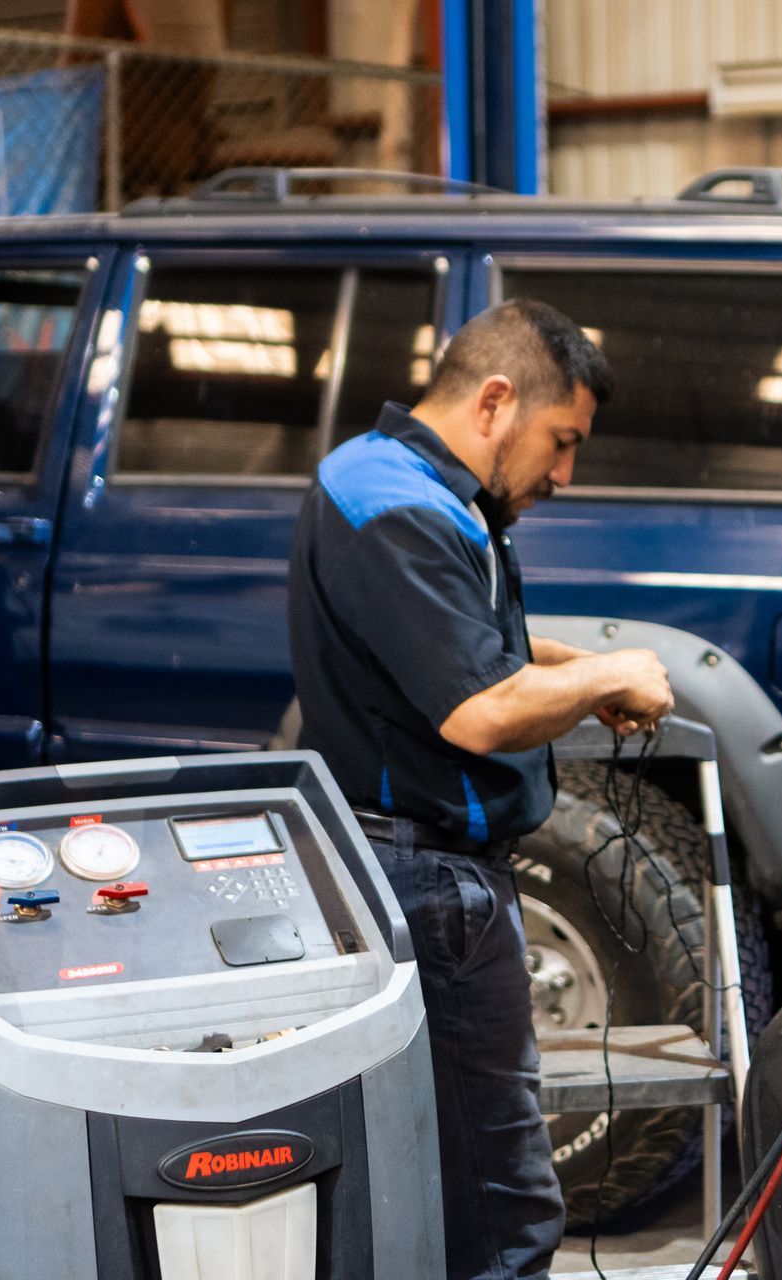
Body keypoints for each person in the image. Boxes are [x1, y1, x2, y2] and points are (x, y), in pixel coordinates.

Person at [287, 299, 673, 1280]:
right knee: (502, 1197)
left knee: (444, 1177)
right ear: (497, 400)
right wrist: (609, 674)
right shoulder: (402, 507)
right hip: (428, 882)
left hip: (407, 865)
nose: (565, 473)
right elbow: (479, 709)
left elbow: (465, 646)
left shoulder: (406, 483)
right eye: (562, 441)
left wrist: (581, 664)